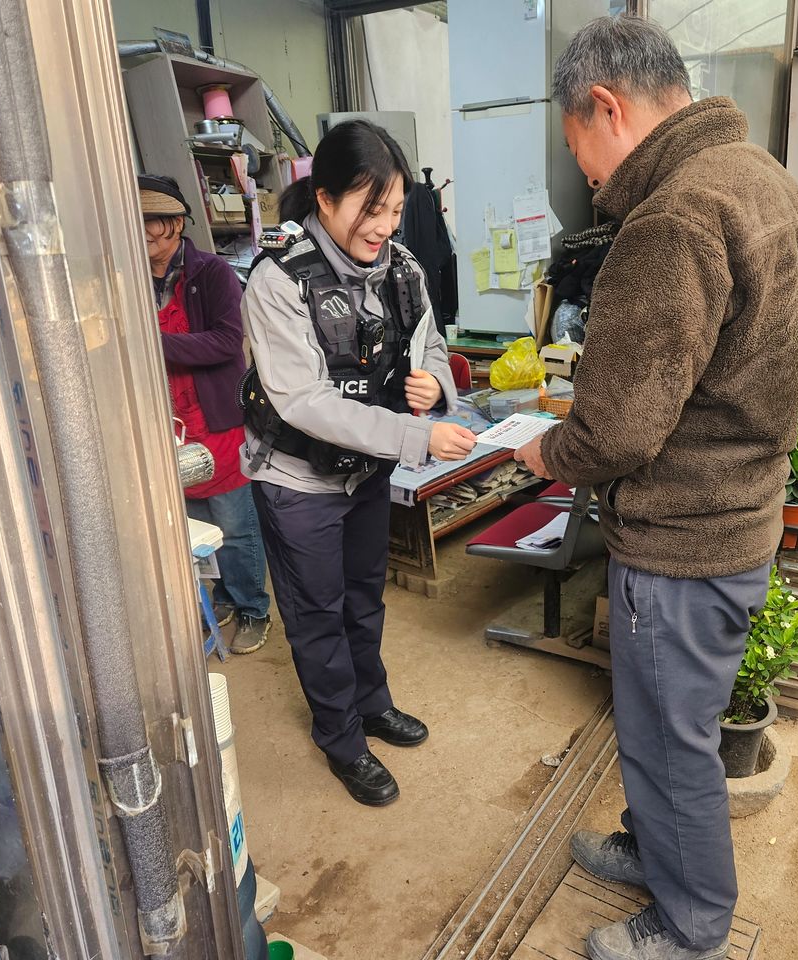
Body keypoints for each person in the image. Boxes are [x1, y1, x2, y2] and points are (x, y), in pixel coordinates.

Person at [514, 17, 798, 960]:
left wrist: (547, 452)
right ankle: (654, 851)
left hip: (681, 543)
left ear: (607, 107)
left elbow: (615, 429)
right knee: (671, 725)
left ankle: (691, 927)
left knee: (668, 742)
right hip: (738, 515)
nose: (592, 182)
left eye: (582, 156)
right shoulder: (763, 180)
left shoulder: (675, 218)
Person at [240, 121, 477, 806]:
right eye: (369, 210)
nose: (384, 226)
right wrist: (416, 440)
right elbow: (304, 402)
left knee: (362, 600)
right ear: (323, 199)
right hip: (299, 481)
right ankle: (342, 739)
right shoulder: (279, 280)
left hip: (365, 474)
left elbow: (431, 346)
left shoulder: (401, 270)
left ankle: (372, 705)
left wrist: (436, 387)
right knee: (317, 615)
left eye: (395, 210)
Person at [138, 174, 273, 656]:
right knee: (194, 527)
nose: (142, 236)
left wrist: (151, 343)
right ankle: (223, 599)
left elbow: (223, 341)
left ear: (175, 225)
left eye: (150, 226)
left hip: (217, 422)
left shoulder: (211, 273)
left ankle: (254, 608)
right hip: (167, 425)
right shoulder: (129, 279)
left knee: (235, 525)